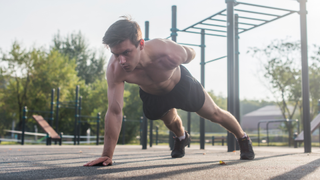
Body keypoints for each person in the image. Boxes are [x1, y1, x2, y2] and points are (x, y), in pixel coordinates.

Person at [84, 16, 254, 167]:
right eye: (115, 54)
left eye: (126, 52)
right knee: (170, 121)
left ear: (141, 44)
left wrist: (183, 52)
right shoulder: (115, 69)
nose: (121, 60)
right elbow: (114, 111)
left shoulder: (166, 51)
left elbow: (191, 53)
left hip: (182, 85)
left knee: (214, 113)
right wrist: (107, 155)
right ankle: (181, 137)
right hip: (152, 95)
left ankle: (243, 138)